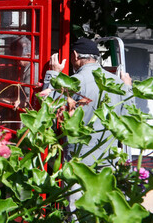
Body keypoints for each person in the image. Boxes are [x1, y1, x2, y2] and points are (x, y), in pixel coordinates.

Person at [43, 37, 132, 219]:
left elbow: (48, 112)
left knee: (76, 213)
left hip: (79, 160)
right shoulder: (116, 82)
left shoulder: (75, 81)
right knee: (102, 213)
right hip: (107, 160)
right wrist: (128, 89)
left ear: (75, 55)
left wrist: (53, 74)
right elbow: (129, 119)